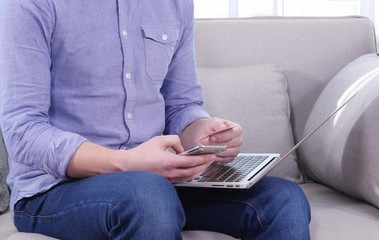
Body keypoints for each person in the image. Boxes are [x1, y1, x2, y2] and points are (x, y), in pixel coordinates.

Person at [0, 0, 311, 239]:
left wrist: (206, 135)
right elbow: (22, 130)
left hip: (157, 182)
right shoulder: (30, 5)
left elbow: (181, 105)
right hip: (55, 190)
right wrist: (129, 163)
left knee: (282, 198)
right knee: (146, 193)